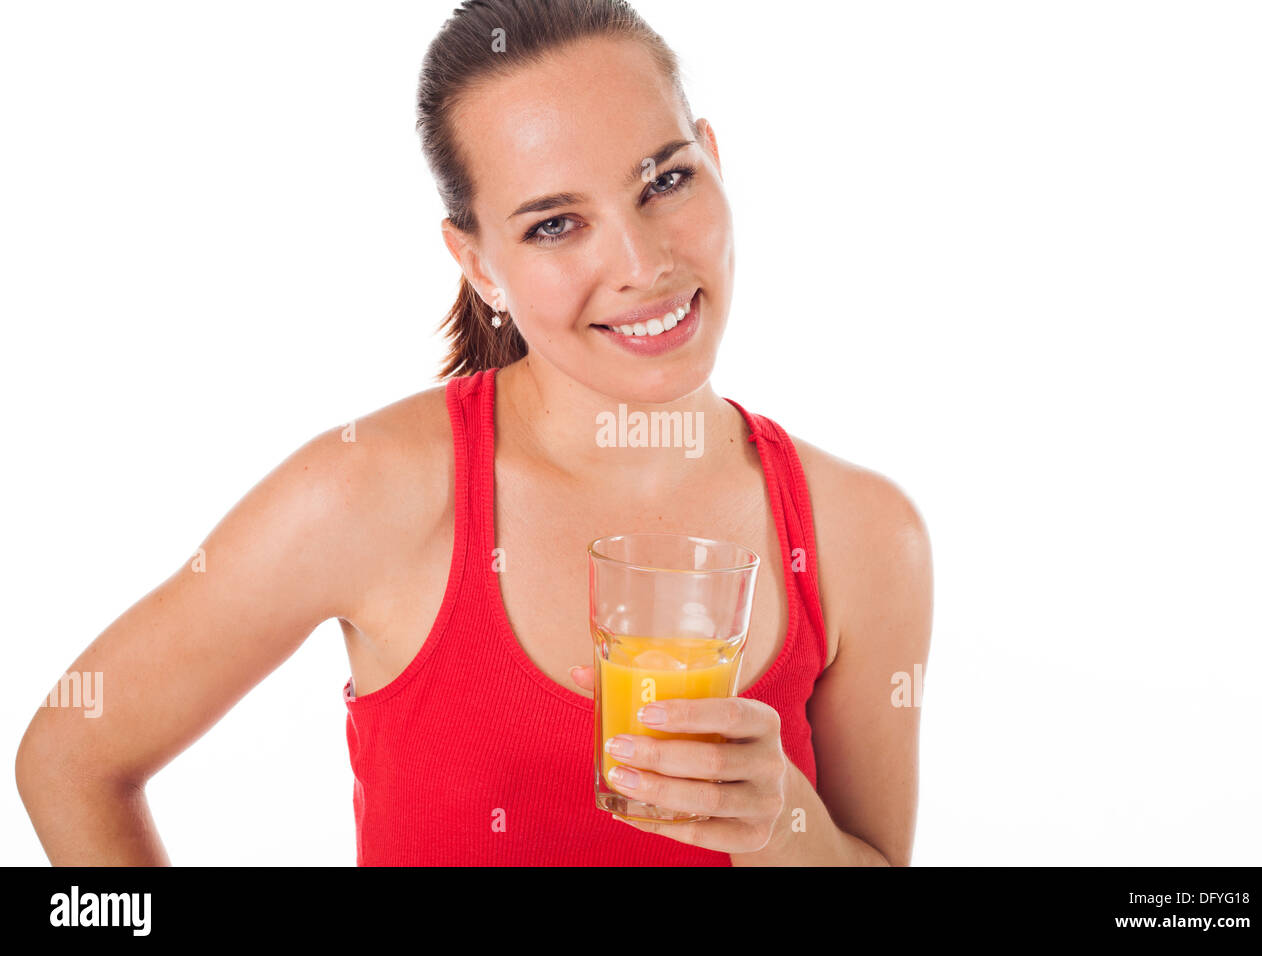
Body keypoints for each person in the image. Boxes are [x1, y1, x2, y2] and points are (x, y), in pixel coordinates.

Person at [17, 0, 932, 866]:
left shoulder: (862, 532)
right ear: (478, 264)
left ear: (715, 159)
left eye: (665, 180)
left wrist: (781, 821)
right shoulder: (369, 490)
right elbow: (69, 759)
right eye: (556, 225)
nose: (642, 264)